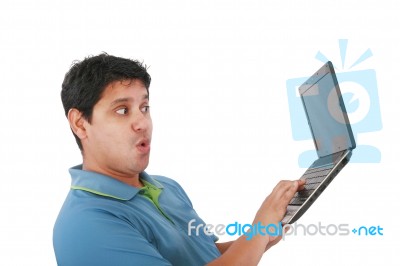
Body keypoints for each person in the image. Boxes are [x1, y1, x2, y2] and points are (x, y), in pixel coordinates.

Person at [53, 53, 305, 266]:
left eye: (144, 107)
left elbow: (205, 255)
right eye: (122, 110)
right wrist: (259, 228)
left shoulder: (167, 187)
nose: (142, 123)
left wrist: (260, 235)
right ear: (80, 124)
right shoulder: (86, 223)